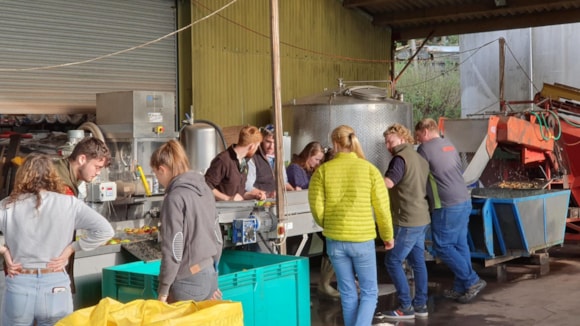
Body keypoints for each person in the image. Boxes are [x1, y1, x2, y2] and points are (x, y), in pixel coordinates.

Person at [0, 153, 114, 326]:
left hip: (19, 284)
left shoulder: (7, 205)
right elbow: (106, 230)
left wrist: (4, 251)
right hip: (55, 284)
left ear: (22, 176)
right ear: (52, 175)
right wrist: (72, 248)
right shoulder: (69, 204)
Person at [308, 125, 394, 326]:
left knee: (347, 294)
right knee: (369, 293)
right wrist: (388, 236)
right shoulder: (370, 170)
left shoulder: (322, 171)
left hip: (335, 241)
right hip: (362, 239)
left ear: (335, 143)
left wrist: (329, 224)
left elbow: (317, 208)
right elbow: (382, 208)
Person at [415, 118, 486, 303]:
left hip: (446, 205)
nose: (417, 140)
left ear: (424, 132)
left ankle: (472, 281)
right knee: (460, 245)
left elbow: (417, 176)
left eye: (418, 136)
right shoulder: (449, 145)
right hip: (463, 199)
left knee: (443, 246)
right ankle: (460, 287)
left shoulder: (424, 149)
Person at [151, 139, 223, 303]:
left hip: (187, 281)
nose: (158, 180)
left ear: (162, 170)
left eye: (155, 174)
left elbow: (173, 249)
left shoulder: (175, 197)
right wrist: (214, 276)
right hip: (209, 272)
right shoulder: (205, 190)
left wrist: (163, 291)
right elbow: (218, 237)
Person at [378, 124, 431, 320]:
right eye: (385, 142)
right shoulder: (419, 158)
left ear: (401, 138)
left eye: (389, 141)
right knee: (418, 262)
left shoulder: (399, 159)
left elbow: (389, 183)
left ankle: (405, 308)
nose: (387, 145)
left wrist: (371, 180)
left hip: (407, 219)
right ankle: (421, 305)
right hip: (422, 217)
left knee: (392, 261)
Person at [52, 136, 111, 294]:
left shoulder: (59, 170)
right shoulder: (62, 188)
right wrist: (73, 248)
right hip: (50, 269)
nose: (98, 173)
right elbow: (104, 231)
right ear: (82, 159)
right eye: (97, 167)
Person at [287, 141, 339, 299]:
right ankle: (297, 289)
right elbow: (305, 188)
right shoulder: (296, 169)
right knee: (298, 250)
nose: (318, 163)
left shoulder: (308, 170)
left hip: (309, 214)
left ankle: (323, 283)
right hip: (298, 216)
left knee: (325, 242)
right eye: (316, 159)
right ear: (308, 155)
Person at [205, 125, 266, 201]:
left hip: (237, 210)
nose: (256, 150)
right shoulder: (223, 160)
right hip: (220, 211)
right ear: (252, 147)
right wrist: (227, 198)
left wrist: (253, 196)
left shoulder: (244, 163)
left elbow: (239, 194)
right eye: (257, 147)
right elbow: (205, 186)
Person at [245, 124, 295, 197]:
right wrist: (267, 194)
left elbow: (283, 182)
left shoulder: (279, 157)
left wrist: (293, 191)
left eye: (274, 143)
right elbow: (248, 186)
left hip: (276, 199)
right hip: (259, 201)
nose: (271, 147)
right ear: (262, 140)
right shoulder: (253, 158)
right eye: (268, 142)